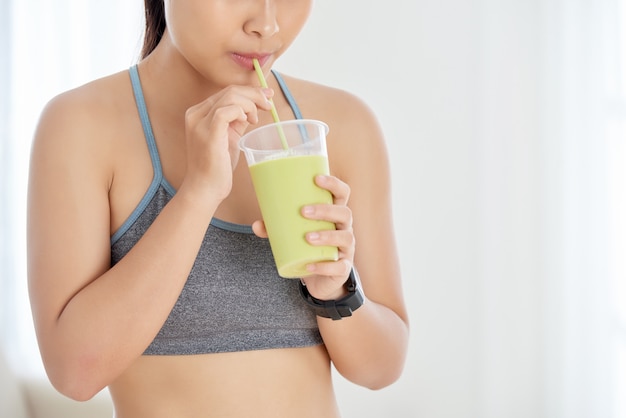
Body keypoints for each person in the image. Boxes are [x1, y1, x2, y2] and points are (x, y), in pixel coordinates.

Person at [27, 1, 409, 416]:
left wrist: (336, 291)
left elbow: (382, 368)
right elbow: (75, 374)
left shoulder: (341, 125)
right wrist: (198, 194)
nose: (266, 24)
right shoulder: (81, 125)